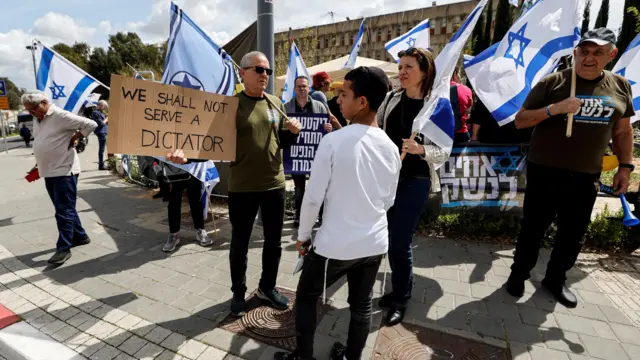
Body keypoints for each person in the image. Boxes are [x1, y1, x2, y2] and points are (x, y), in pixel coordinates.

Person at [274, 66, 400, 360]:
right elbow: (388, 200)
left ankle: (303, 356)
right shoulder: (391, 148)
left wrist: (303, 237)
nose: (338, 101)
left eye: (344, 94)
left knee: (306, 298)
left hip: (335, 245)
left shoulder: (332, 141)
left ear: (363, 102)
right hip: (374, 243)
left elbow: (312, 198)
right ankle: (352, 356)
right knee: (362, 304)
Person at [506, 28, 635, 308]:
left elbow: (623, 132)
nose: (589, 58)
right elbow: (521, 120)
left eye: (597, 52)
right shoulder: (553, 82)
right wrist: (555, 109)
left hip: (586, 175)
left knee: (573, 234)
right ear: (575, 53)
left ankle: (555, 279)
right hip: (545, 171)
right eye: (584, 51)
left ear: (611, 55)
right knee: (533, 229)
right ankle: (518, 274)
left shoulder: (620, 86)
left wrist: (625, 167)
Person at [376, 47, 448, 326]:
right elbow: (377, 129)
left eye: (409, 67)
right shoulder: (391, 98)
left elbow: (445, 151)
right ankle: (397, 287)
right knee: (384, 237)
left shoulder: (437, 106)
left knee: (399, 241)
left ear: (425, 72)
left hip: (416, 180)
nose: (402, 72)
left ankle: (401, 298)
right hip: (387, 177)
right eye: (400, 66)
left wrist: (420, 149)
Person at [228, 51, 302, 316]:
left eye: (267, 71)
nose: (264, 76)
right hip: (243, 187)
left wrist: (291, 133)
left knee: (273, 242)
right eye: (258, 70)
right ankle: (238, 292)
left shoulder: (274, 102)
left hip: (274, 185)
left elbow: (280, 142)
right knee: (240, 243)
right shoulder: (231, 105)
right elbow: (213, 144)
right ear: (243, 72)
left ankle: (267, 287)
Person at [22, 91, 98, 264]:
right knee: (63, 207)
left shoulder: (60, 115)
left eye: (33, 109)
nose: (31, 113)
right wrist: (39, 162)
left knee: (63, 211)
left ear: (43, 102)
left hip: (64, 170)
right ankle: (80, 236)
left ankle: (63, 248)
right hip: (48, 170)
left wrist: (77, 136)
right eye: (29, 111)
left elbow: (91, 124)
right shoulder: (37, 118)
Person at [284, 76, 331, 227]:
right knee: (299, 189)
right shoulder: (286, 107)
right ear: (294, 89)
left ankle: (320, 216)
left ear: (309, 88)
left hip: (315, 155)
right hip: (296, 155)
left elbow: (326, 128)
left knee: (317, 187)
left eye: (304, 86)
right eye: (299, 87)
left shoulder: (320, 106)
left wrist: (328, 129)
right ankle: (299, 217)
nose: (302, 89)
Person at [160, 149, 214, 252]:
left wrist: (187, 159)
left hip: (193, 170)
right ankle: (174, 234)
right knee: (173, 203)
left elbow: (204, 155)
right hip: (172, 171)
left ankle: (200, 229)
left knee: (196, 201)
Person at [450, 67, 473, 144]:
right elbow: (467, 110)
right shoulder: (466, 90)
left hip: (442, 134)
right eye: (459, 74)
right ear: (454, 74)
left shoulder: (437, 89)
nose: (459, 77)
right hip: (461, 133)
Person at [92, 100, 109, 170]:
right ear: (100, 105)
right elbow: (101, 124)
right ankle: (101, 165)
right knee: (101, 150)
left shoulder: (100, 112)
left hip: (103, 132)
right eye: (103, 106)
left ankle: (102, 164)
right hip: (101, 132)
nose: (104, 108)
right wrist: (106, 119)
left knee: (103, 149)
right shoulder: (95, 113)